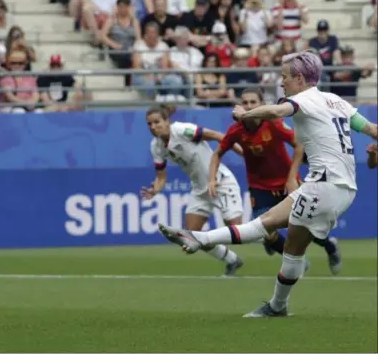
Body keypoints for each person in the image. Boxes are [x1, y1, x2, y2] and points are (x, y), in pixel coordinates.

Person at [158, 50, 378, 317]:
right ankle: (277, 306)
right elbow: (374, 130)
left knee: (264, 226)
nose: (281, 82)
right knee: (291, 248)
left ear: (299, 77)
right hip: (334, 187)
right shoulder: (336, 101)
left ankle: (198, 238)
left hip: (324, 187)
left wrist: (244, 113)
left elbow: (276, 110)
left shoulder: (303, 99)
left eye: (284, 77)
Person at [208, 87, 342, 273]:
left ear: (261, 105)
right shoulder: (236, 130)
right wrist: (212, 180)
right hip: (259, 186)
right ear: (239, 106)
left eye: (253, 102)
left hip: (287, 183)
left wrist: (291, 178)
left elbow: (298, 145)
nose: (248, 106)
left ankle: (330, 246)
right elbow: (217, 154)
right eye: (245, 102)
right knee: (265, 230)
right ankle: (298, 262)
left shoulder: (274, 124)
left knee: (304, 225)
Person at [142, 105, 244, 276]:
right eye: (149, 124)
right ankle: (232, 260)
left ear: (167, 122)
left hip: (221, 182)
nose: (153, 127)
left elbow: (219, 136)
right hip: (200, 190)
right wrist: (155, 190)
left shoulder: (182, 130)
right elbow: (161, 177)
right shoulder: (156, 147)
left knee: (239, 231)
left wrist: (244, 153)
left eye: (157, 122)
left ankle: (273, 240)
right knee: (192, 236)